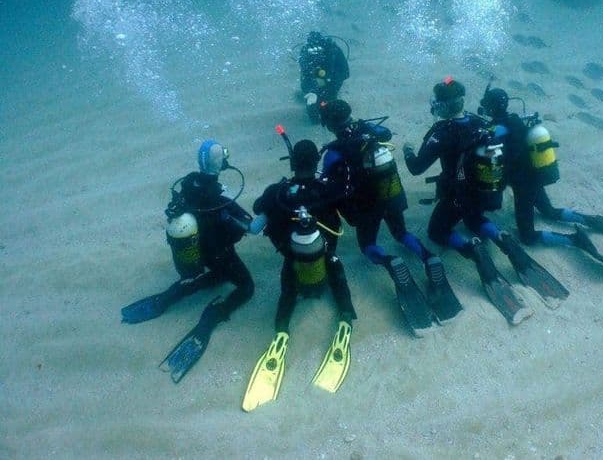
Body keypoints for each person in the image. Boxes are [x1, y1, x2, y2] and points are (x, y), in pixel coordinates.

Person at [401, 76, 560, 324]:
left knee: (436, 230)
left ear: (441, 106)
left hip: (459, 196)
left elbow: (416, 168)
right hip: (487, 191)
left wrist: (408, 150)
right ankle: (502, 238)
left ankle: (473, 249)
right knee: (474, 218)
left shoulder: (441, 133)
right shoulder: (481, 123)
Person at [121, 140, 264, 383]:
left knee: (217, 275)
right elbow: (252, 227)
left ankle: (170, 295)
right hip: (221, 252)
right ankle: (215, 315)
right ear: (221, 162)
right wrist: (269, 212)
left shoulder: (188, 182)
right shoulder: (221, 198)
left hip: (197, 251)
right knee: (246, 287)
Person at [318, 99, 462, 334]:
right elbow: (385, 132)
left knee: (368, 246)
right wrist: (361, 127)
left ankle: (390, 262)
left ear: (329, 125)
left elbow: (325, 179)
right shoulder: (368, 131)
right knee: (401, 232)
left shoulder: (334, 151)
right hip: (391, 194)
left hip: (366, 206)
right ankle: (427, 257)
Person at [477, 84, 603, 272]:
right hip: (535, 176)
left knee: (527, 236)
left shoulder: (499, 128)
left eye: (487, 106)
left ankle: (573, 240)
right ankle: (588, 220)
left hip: (523, 185)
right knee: (548, 211)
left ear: (492, 107)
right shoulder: (515, 119)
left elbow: (488, 147)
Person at [242, 139, 356, 410]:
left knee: (288, 292)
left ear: (293, 163)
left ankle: (281, 332)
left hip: (292, 259)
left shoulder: (277, 192)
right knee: (338, 276)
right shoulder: (327, 188)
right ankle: (346, 318)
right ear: (315, 162)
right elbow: (351, 207)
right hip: (327, 254)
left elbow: (258, 209)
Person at [298, 31, 350, 121]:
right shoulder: (306, 53)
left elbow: (344, 72)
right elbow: (305, 76)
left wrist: (332, 87)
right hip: (315, 81)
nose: (317, 52)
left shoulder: (333, 50)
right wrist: (312, 91)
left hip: (333, 79)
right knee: (313, 112)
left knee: (331, 101)